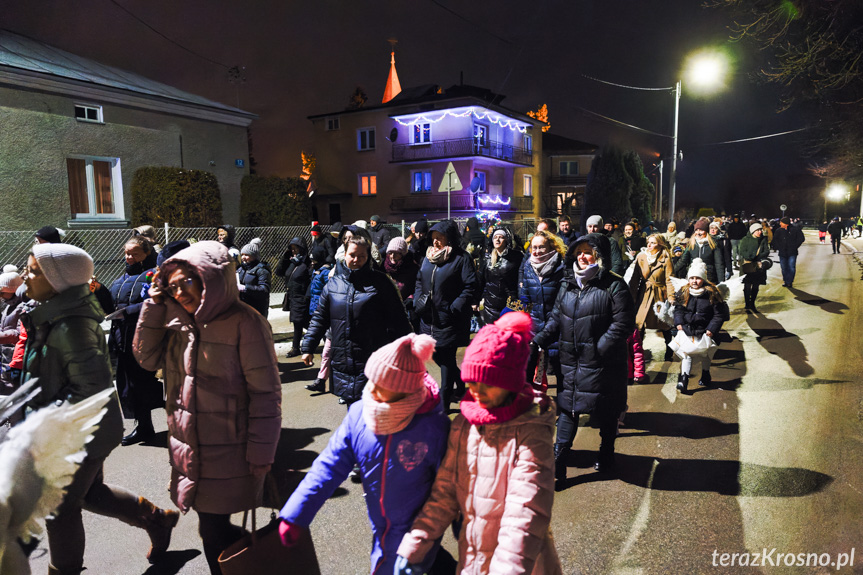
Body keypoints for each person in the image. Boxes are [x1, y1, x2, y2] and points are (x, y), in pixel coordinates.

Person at [23, 243, 179, 574]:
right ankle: (158, 519)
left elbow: (88, 392)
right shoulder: (50, 315)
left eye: (35, 270)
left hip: (80, 432)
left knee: (60, 507)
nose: (26, 275)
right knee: (90, 494)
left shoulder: (71, 325)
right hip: (80, 429)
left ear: (58, 281)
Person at [133, 241, 282, 575]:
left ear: (209, 278)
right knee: (211, 528)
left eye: (187, 281)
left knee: (213, 530)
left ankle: (269, 562)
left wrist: (261, 452)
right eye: (172, 286)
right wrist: (155, 305)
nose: (181, 291)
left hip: (231, 447)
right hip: (189, 446)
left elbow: (266, 395)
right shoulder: (176, 321)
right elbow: (146, 358)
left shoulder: (246, 322)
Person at [396, 312, 562, 575]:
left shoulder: (531, 432)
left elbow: (525, 514)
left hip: (519, 565)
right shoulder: (465, 423)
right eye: (471, 382)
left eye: (488, 383)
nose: (476, 391)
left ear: (509, 383)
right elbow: (445, 491)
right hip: (473, 556)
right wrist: (415, 545)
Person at [280, 334, 450, 574]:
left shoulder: (433, 427)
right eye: (373, 380)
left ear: (406, 390)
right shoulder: (360, 413)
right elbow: (329, 465)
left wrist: (424, 538)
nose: (373, 390)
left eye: (383, 386)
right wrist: (296, 512)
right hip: (380, 526)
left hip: (416, 533)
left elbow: (447, 491)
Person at [534, 233, 635, 479]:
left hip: (604, 363)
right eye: (578, 251)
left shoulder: (613, 284)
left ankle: (606, 452)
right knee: (568, 409)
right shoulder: (568, 284)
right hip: (571, 361)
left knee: (607, 409)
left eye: (588, 251)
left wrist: (600, 348)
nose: (582, 256)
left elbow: (623, 324)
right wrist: (537, 341)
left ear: (599, 255)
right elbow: (556, 318)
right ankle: (559, 458)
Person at [303, 233, 412, 406]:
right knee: (353, 414)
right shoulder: (333, 285)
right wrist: (308, 346)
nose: (356, 259)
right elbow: (319, 318)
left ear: (368, 257)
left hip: (373, 359)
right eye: (352, 255)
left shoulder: (381, 283)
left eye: (361, 256)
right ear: (344, 254)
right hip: (343, 361)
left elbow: (398, 318)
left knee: (375, 416)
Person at [414, 220, 478, 410]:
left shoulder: (461, 258)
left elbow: (470, 286)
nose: (435, 242)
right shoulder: (428, 257)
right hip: (429, 318)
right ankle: (460, 383)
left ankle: (444, 401)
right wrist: (419, 300)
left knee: (447, 360)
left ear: (449, 238)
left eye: (439, 238)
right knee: (439, 357)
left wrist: (454, 307)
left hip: (449, 319)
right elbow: (419, 281)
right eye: (433, 238)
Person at [108, 236, 162, 446]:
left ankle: (148, 426)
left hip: (142, 336)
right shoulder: (124, 275)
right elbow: (112, 303)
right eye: (127, 253)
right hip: (122, 335)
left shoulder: (152, 274)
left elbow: (156, 301)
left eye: (134, 253)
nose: (129, 257)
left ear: (146, 253)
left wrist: (128, 312)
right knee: (128, 385)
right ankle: (143, 426)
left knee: (142, 384)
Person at [518, 229, 566, 383]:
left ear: (552, 247)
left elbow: (563, 302)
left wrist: (550, 328)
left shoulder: (562, 268)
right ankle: (529, 404)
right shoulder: (528, 266)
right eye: (534, 247)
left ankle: (563, 406)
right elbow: (525, 297)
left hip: (557, 328)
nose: (537, 251)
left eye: (541, 247)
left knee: (560, 373)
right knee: (527, 373)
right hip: (534, 325)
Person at [672, 259, 726, 392]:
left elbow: (718, 315)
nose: (694, 281)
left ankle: (706, 373)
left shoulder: (712, 294)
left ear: (703, 279)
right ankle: (684, 380)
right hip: (687, 329)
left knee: (705, 355)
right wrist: (679, 322)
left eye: (698, 278)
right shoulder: (684, 292)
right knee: (686, 354)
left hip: (705, 330)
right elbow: (679, 309)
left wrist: (711, 329)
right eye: (692, 278)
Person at [627, 233, 676, 362]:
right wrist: (630, 297)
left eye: (653, 242)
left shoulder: (665, 258)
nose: (649, 245)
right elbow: (634, 280)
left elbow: (669, 279)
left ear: (659, 244)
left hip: (660, 293)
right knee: (639, 323)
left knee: (664, 323)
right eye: (648, 242)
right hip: (644, 293)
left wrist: (671, 297)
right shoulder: (641, 257)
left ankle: (669, 348)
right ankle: (637, 351)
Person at [303, 246, 334, 393]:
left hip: (329, 315)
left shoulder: (326, 273)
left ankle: (330, 382)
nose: (312, 262)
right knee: (327, 351)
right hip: (320, 312)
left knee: (329, 352)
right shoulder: (319, 271)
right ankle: (321, 381)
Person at [478, 227, 523, 326]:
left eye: (501, 237)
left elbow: (520, 279)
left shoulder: (516, 257)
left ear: (506, 240)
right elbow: (481, 281)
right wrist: (475, 300)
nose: (497, 240)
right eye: (495, 237)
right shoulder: (488, 259)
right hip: (490, 306)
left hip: (510, 304)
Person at [276, 236, 311, 357]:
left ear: (302, 248)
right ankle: (324, 338)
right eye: (291, 249)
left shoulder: (307, 263)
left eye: (296, 248)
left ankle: (296, 348)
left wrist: (307, 297)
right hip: (291, 296)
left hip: (301, 297)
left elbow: (311, 281)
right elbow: (279, 272)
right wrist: (285, 258)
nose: (293, 251)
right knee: (302, 323)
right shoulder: (292, 262)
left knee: (299, 322)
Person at [673, 219, 725, 284]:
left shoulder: (713, 244)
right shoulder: (691, 244)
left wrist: (721, 282)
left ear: (706, 231)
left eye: (701, 230)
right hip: (694, 278)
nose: (698, 233)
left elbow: (719, 264)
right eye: (696, 230)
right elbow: (683, 261)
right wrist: (672, 271)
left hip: (709, 279)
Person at [738, 223, 771, 312]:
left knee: (756, 286)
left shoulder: (763, 239)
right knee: (747, 286)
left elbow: (766, 251)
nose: (760, 232)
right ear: (752, 231)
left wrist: (757, 257)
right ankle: (747, 304)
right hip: (748, 265)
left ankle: (752, 303)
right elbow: (742, 251)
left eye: (760, 230)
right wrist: (750, 256)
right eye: (757, 230)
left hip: (758, 265)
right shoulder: (745, 239)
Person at [237, 238, 272, 317]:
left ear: (254, 256)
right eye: (242, 255)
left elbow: (264, 289)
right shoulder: (241, 269)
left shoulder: (262, 270)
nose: (243, 257)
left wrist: (245, 288)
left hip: (257, 309)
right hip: (243, 308)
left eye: (246, 255)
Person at [383, 236, 419, 313]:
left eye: (396, 253)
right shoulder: (383, 267)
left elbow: (418, 288)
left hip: (405, 309)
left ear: (403, 254)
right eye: (390, 253)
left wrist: (411, 300)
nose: (392, 256)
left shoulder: (412, 269)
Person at [773, 217, 805, 288]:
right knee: (784, 267)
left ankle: (789, 281)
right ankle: (786, 280)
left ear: (785, 223)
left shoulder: (795, 230)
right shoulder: (778, 231)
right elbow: (775, 240)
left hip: (792, 252)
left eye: (781, 222)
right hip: (782, 252)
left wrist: (795, 246)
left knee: (791, 267)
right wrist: (778, 247)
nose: (780, 223)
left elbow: (801, 238)